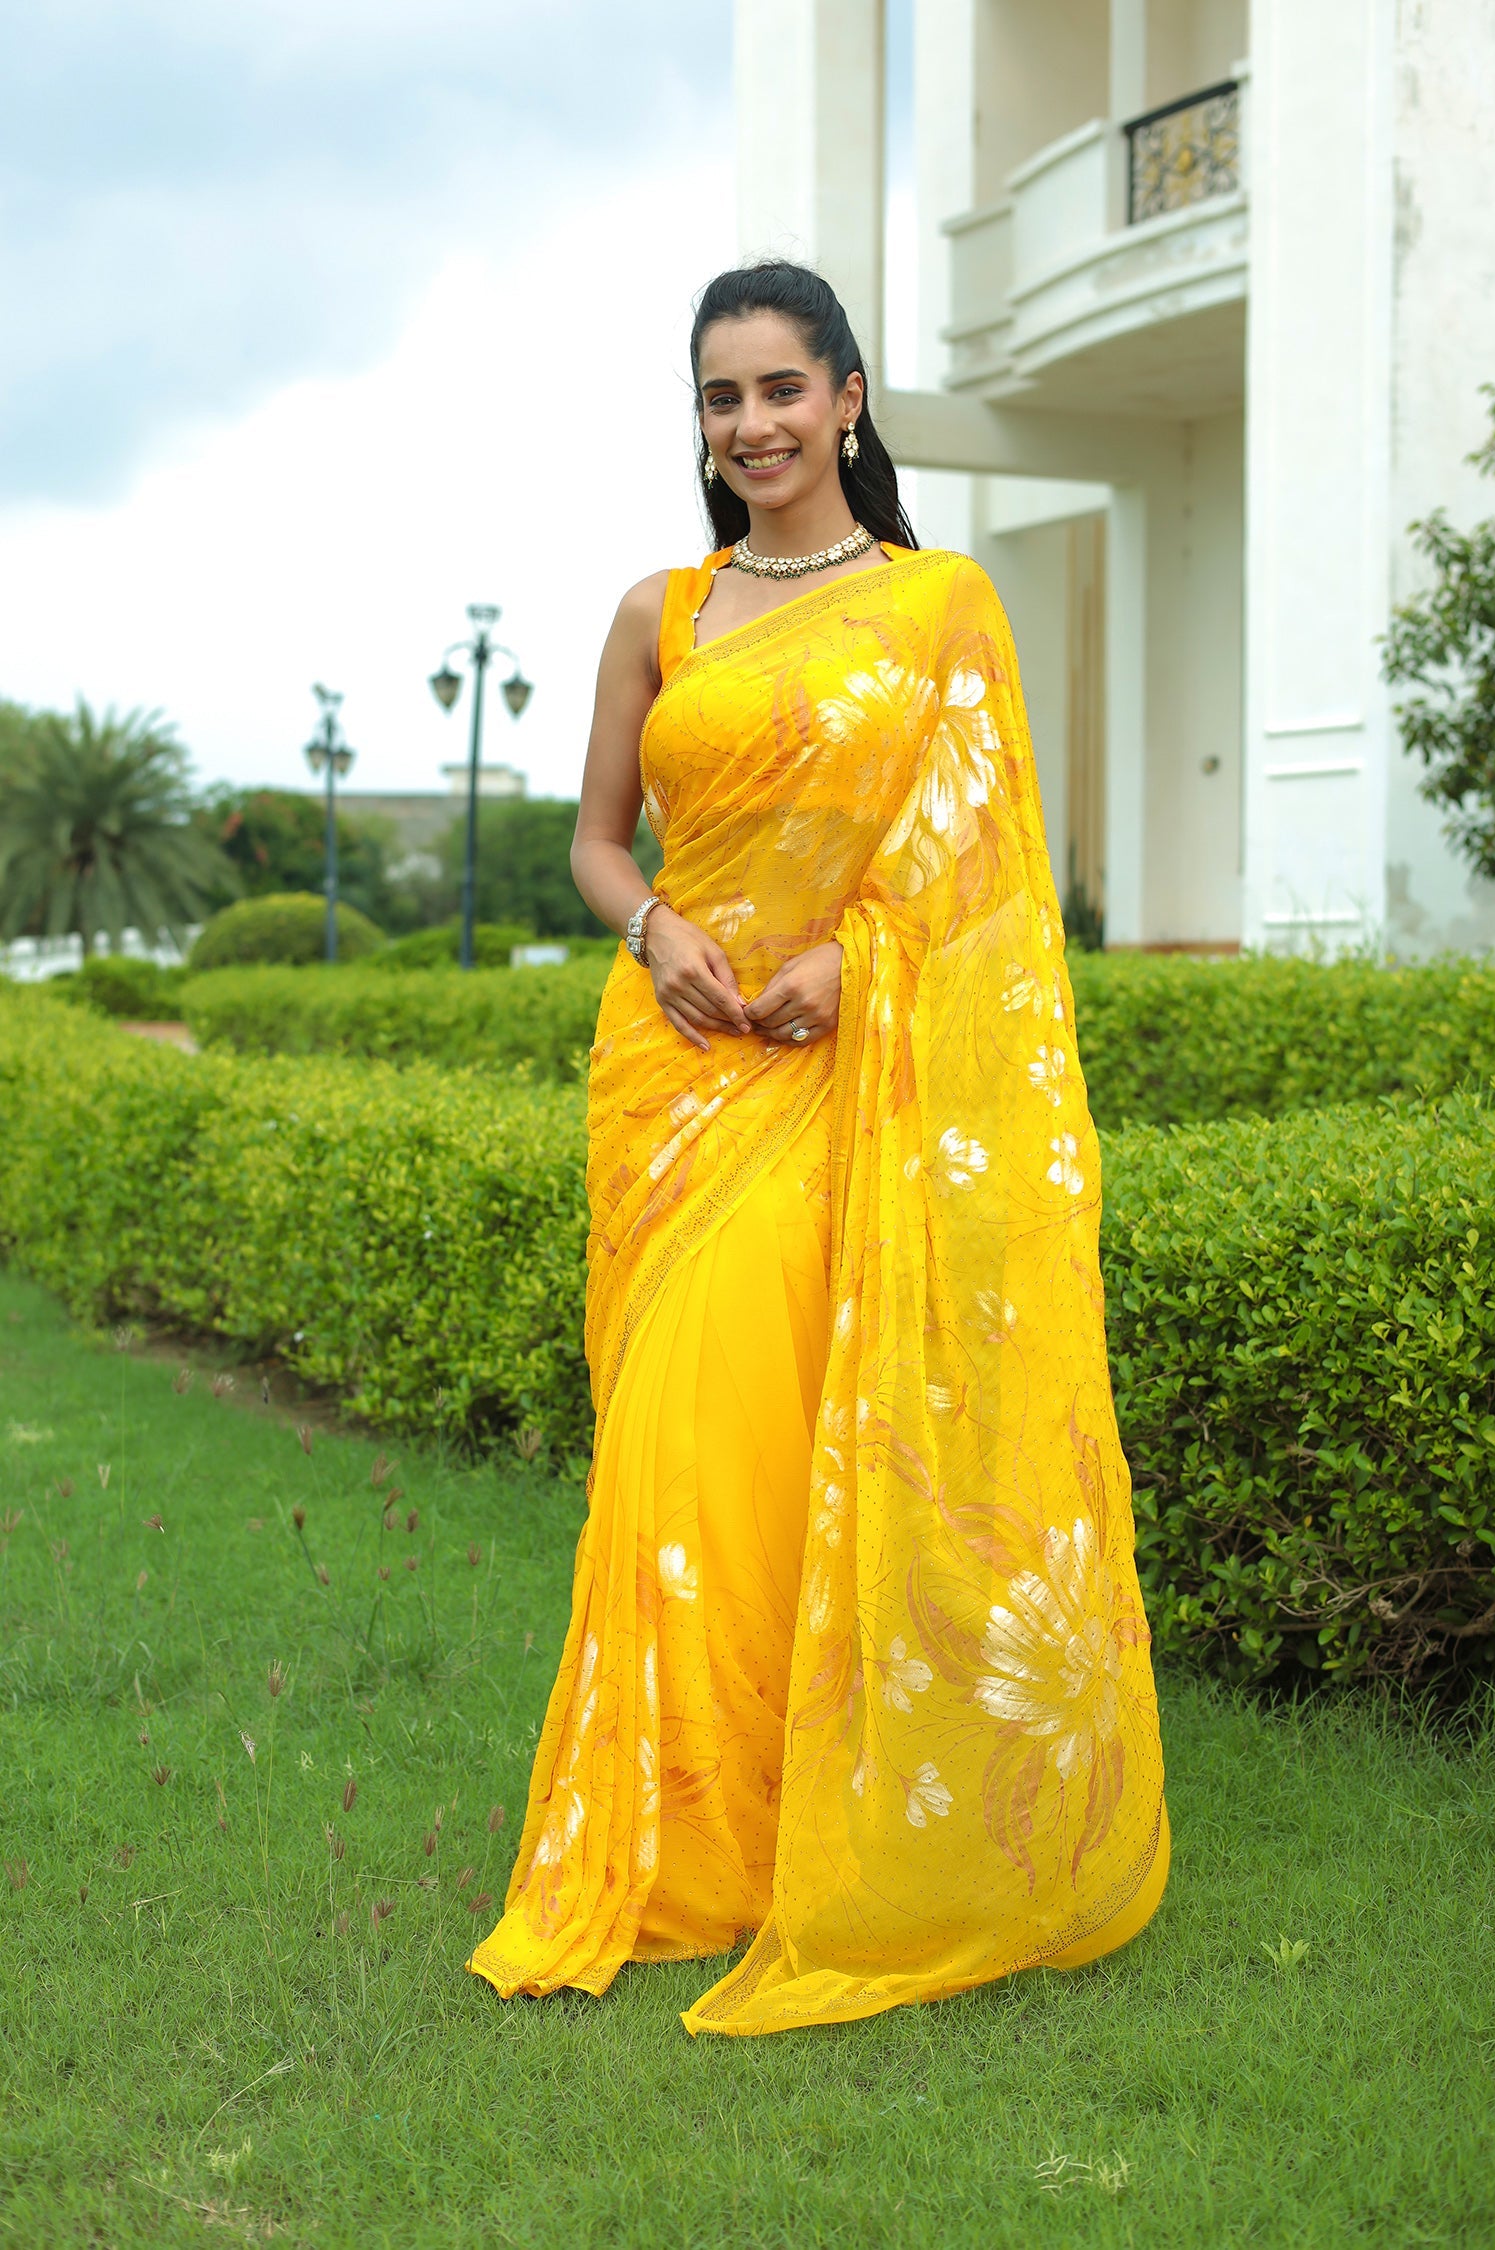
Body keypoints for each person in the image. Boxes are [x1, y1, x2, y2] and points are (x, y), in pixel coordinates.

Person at [468, 260, 1168, 2038]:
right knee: (684, 1461)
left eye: (781, 389)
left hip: (848, 1076)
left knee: (799, 1441)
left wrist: (852, 968)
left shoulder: (942, 609)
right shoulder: (660, 611)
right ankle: (690, 1852)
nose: (752, 427)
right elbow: (599, 841)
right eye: (720, 399)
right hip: (676, 1080)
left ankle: (839, 1837)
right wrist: (651, 935)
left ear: (851, 397)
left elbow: (989, 872)